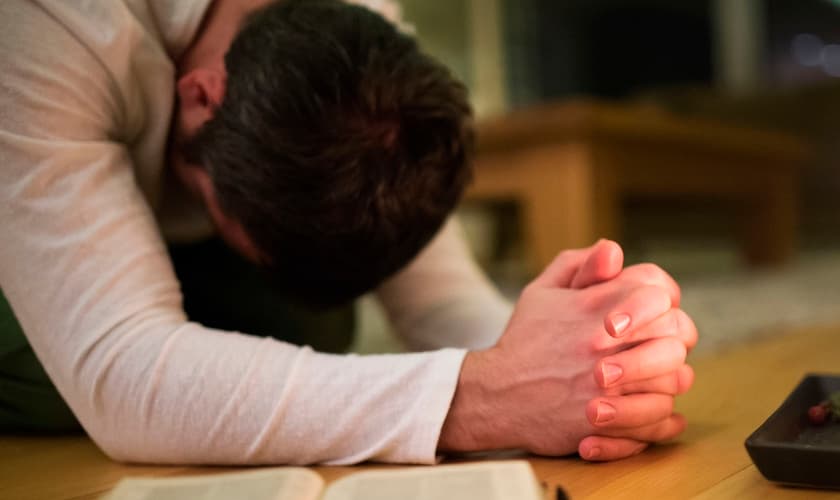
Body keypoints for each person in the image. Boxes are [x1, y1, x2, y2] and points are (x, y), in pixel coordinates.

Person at [0, 0, 697, 465]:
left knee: (317, 329)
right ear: (199, 97)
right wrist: (478, 399)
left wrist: (586, 364)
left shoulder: (361, 22)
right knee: (78, 387)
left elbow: (433, 300)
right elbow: (121, 373)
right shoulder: (51, 30)